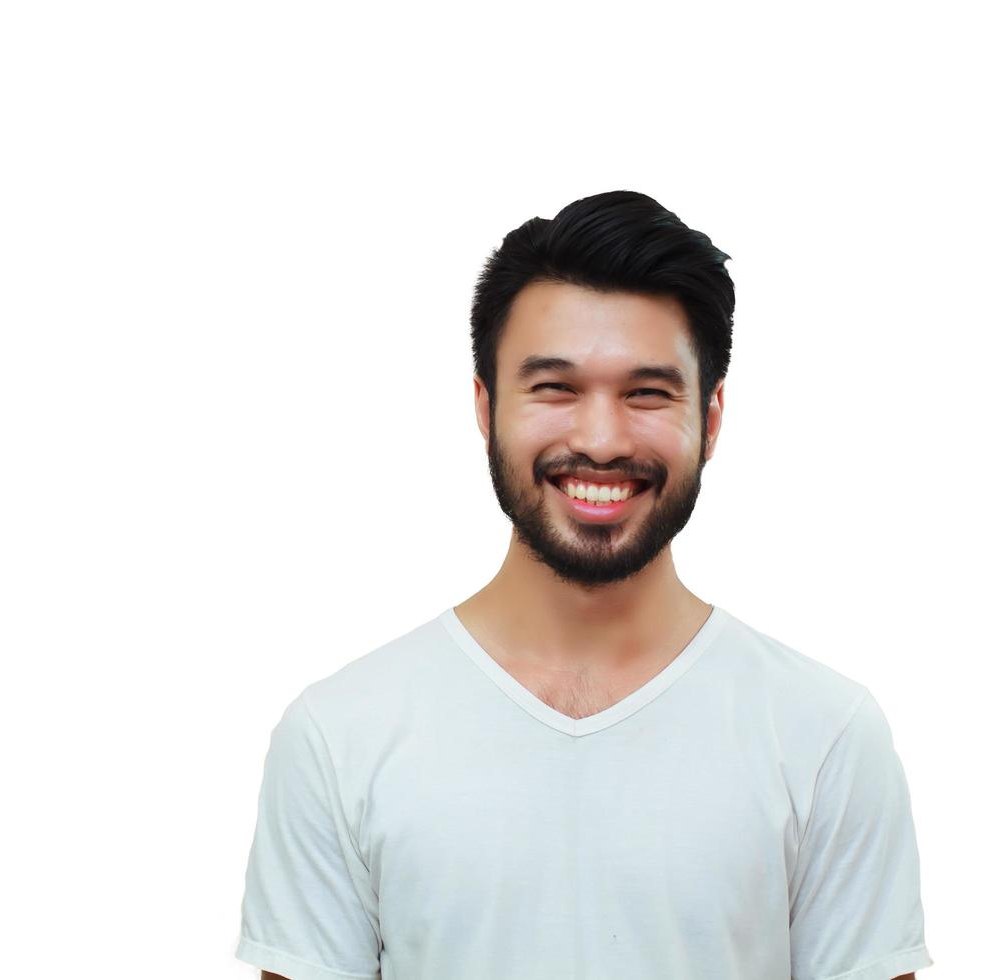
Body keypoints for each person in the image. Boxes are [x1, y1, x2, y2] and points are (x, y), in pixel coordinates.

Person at [235, 190, 932, 980]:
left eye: (647, 393)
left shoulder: (825, 735)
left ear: (711, 418)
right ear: (485, 406)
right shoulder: (338, 736)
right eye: (555, 388)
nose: (600, 440)